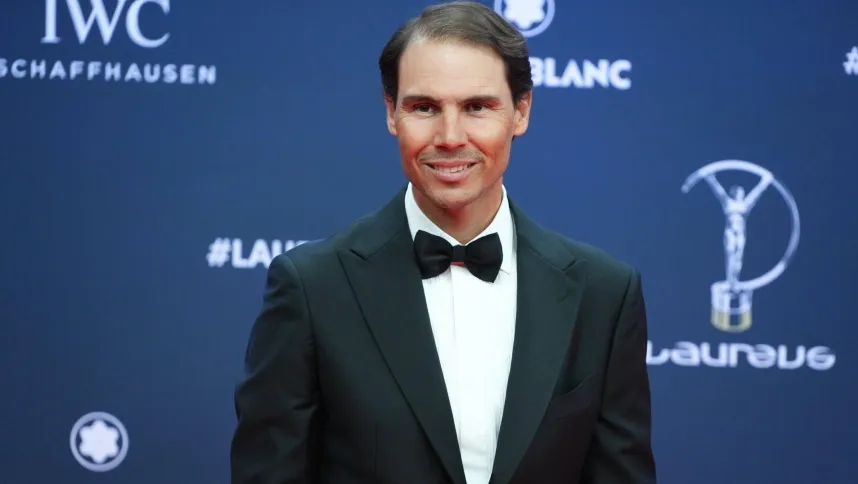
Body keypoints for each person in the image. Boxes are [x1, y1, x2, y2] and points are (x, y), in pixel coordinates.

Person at [230, 2, 656, 483]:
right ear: (391, 113)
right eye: (424, 107)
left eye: (477, 107)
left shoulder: (602, 294)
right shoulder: (312, 288)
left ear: (521, 111)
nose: (450, 137)